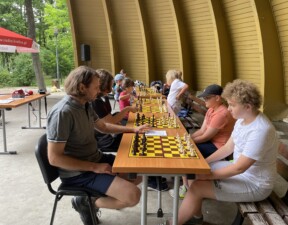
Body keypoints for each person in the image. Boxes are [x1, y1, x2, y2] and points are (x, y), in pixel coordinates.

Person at [165, 79, 279, 225]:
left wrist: (208, 176)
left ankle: (174, 222)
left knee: (197, 187)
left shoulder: (261, 130)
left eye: (232, 105)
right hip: (241, 172)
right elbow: (227, 148)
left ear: (248, 106)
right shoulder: (242, 119)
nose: (229, 108)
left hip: (255, 183)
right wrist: (204, 163)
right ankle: (195, 216)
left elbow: (239, 167)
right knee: (192, 174)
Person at [47, 66, 150, 225]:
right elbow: (54, 158)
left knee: (139, 173)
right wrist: (94, 168)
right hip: (78, 174)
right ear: (82, 87)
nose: (99, 91)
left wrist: (133, 129)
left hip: (95, 159)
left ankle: (95, 196)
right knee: (133, 195)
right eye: (95, 87)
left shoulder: (85, 104)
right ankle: (85, 202)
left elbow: (103, 126)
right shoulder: (63, 113)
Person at [169, 84, 235, 199]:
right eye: (204, 98)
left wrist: (188, 141)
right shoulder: (211, 110)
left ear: (218, 98)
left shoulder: (222, 114)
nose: (204, 100)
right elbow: (202, 130)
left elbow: (206, 137)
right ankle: (187, 186)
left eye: (207, 98)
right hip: (211, 142)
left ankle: (188, 189)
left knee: (187, 153)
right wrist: (188, 138)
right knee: (185, 147)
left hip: (219, 147)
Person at [92, 69, 138, 152]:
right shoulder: (95, 101)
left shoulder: (104, 97)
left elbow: (109, 117)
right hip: (103, 138)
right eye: (111, 83)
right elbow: (110, 122)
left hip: (108, 132)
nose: (112, 85)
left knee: (130, 129)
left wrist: (117, 122)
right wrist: (127, 109)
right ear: (104, 85)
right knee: (132, 138)